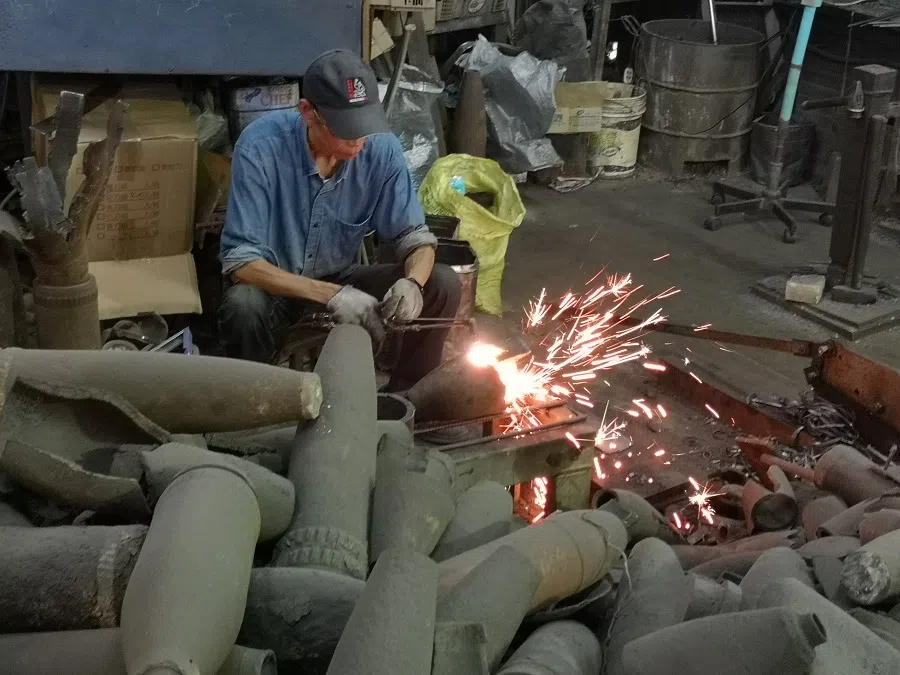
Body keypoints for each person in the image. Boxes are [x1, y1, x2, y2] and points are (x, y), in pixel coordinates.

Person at [219, 49, 460, 389]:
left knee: (442, 284)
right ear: (307, 112)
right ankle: (254, 409)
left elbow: (414, 236)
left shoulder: (381, 149)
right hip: (275, 287)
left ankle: (408, 400)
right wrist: (332, 295)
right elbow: (241, 264)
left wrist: (413, 283)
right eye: (345, 130)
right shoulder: (261, 148)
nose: (358, 140)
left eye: (364, 126)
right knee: (242, 305)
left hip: (342, 276)